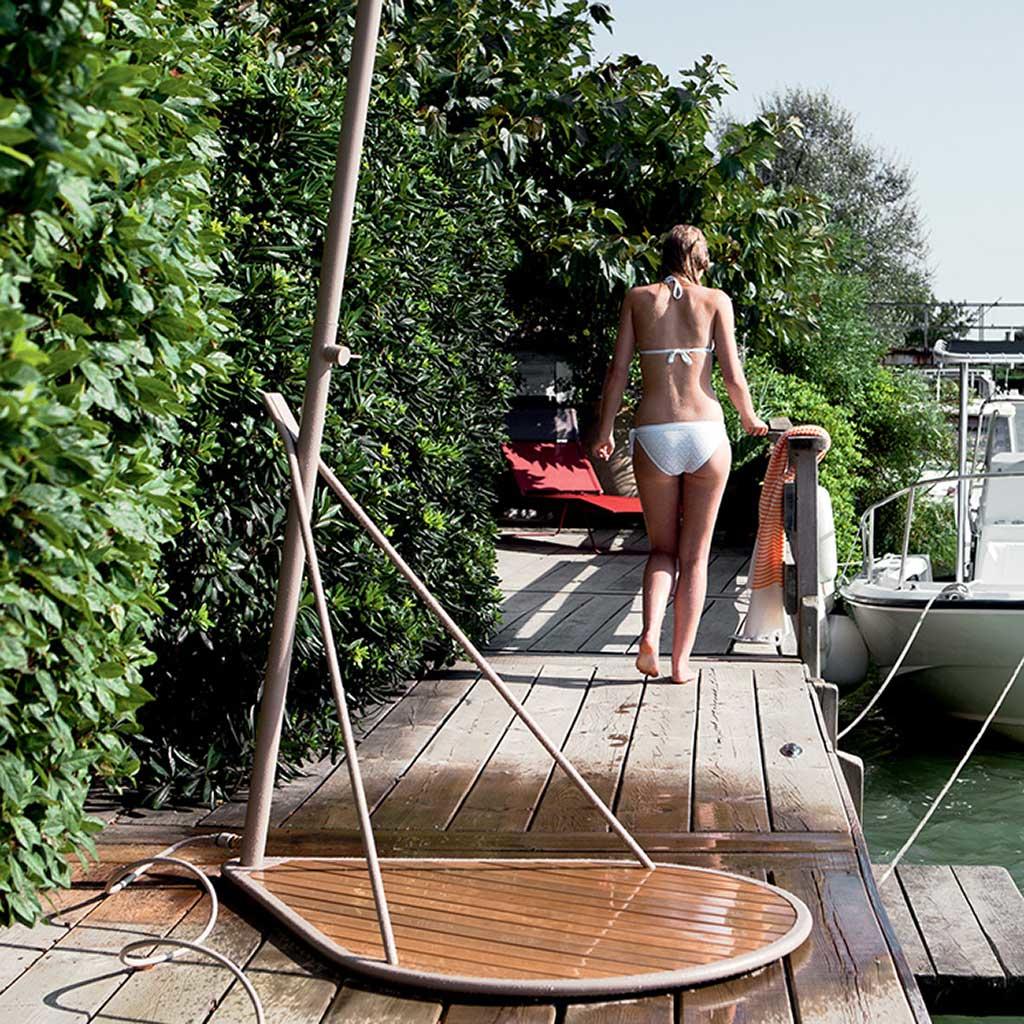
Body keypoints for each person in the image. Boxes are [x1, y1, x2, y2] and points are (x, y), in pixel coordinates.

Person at [591, 224, 768, 684]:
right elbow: (732, 375)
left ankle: (650, 635)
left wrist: (605, 430)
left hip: (654, 434)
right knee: (695, 558)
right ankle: (680, 663)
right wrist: (749, 418)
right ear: (700, 259)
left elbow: (617, 372)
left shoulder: (637, 299)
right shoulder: (716, 300)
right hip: (705, 432)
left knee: (662, 551)